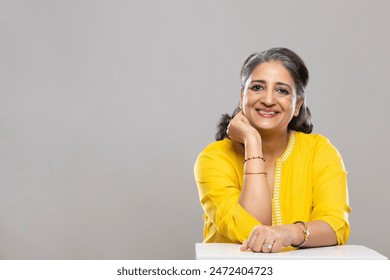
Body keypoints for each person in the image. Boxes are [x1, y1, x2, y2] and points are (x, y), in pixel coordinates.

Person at [194, 47, 351, 253]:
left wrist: (288, 233)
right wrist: (252, 141)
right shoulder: (214, 158)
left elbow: (335, 226)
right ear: (242, 96)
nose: (268, 100)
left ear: (297, 105)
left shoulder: (320, 151)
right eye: (257, 87)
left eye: (282, 90)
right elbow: (251, 229)